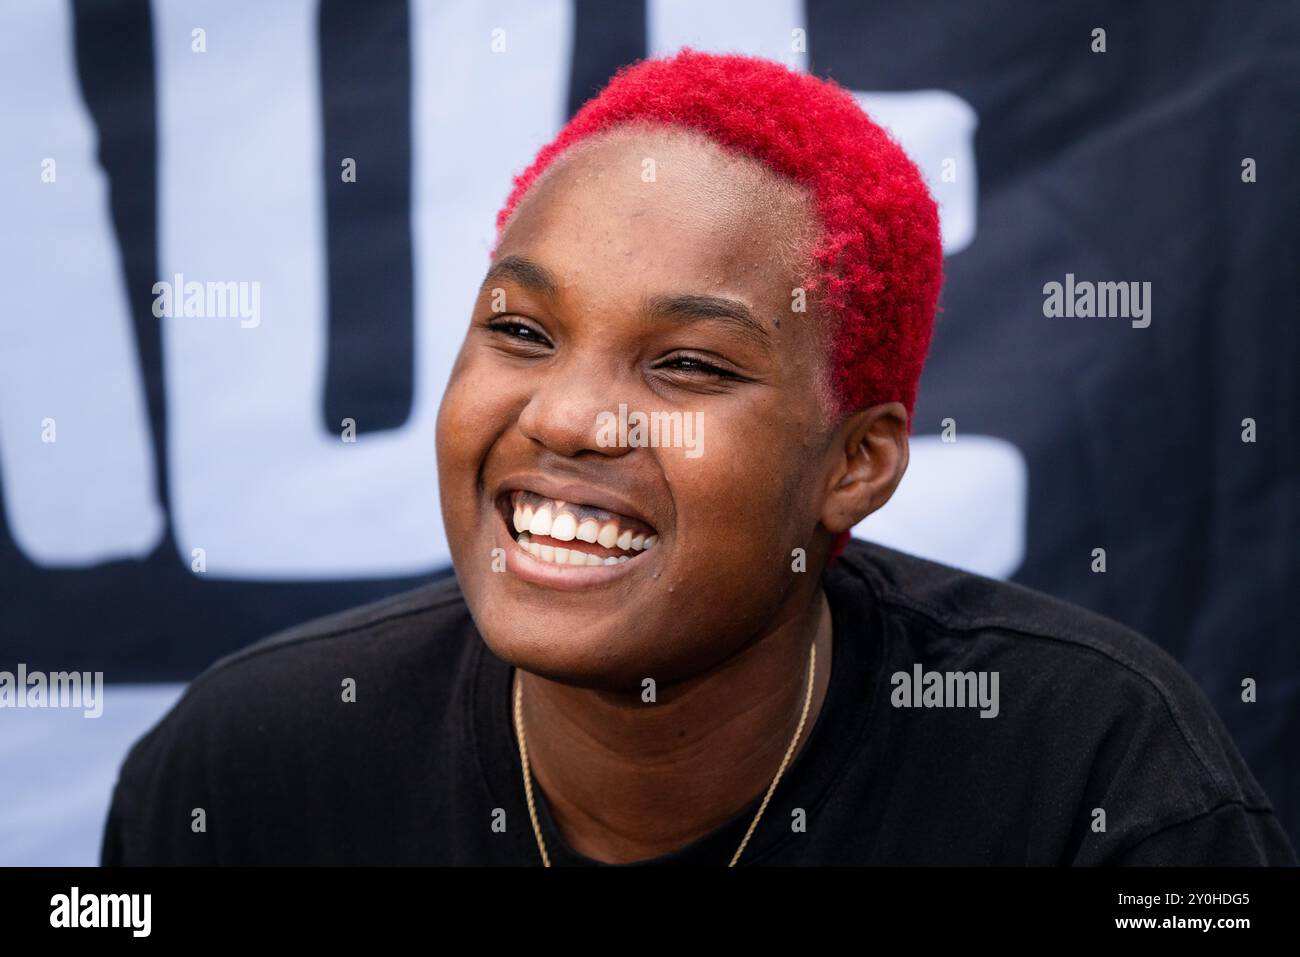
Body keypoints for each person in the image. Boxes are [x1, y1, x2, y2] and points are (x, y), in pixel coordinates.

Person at [101, 49, 1295, 866]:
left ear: (857, 464)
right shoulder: (242, 768)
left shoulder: (1097, 776)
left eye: (686, 364)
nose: (567, 419)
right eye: (521, 331)